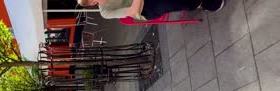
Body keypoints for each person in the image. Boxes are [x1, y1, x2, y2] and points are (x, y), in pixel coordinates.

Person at [77, 0, 225, 20]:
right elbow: (133, 10)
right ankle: (206, 4)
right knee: (164, 3)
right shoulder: (105, 12)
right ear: (91, 3)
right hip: (146, 9)